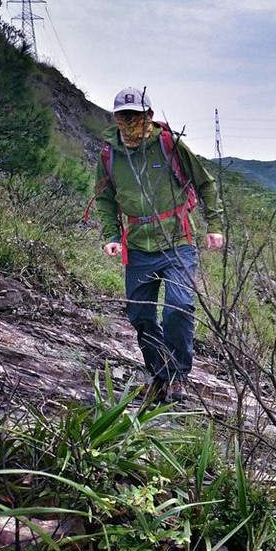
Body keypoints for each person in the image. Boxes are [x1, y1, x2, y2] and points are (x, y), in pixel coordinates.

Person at [93, 86, 224, 404]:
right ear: (116, 118)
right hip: (138, 246)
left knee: (178, 308)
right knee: (140, 316)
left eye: (137, 116)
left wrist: (215, 226)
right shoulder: (109, 155)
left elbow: (205, 182)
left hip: (178, 239)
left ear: (149, 116)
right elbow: (105, 198)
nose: (131, 123)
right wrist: (112, 236)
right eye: (124, 116)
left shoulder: (170, 145)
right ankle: (161, 374)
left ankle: (178, 376)